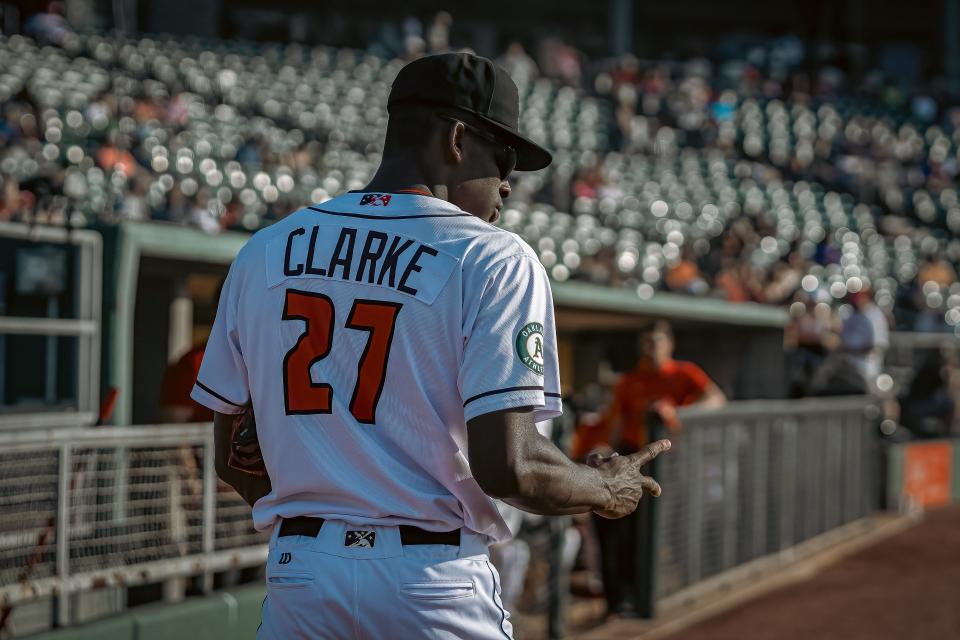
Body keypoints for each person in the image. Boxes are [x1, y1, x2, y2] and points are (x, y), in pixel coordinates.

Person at [190, 52, 670, 639]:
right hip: (429, 581)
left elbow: (231, 458)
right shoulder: (491, 256)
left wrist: (328, 512)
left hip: (303, 578)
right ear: (458, 139)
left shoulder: (265, 250)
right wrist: (604, 487)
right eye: (503, 159)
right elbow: (509, 467)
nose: (508, 185)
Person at [589, 320, 724, 618]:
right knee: (617, 529)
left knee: (659, 534)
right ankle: (618, 600)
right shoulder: (630, 380)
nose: (651, 348)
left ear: (669, 344)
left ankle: (652, 595)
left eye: (656, 341)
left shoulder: (684, 373)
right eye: (646, 343)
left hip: (672, 466)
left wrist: (676, 412)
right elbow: (616, 427)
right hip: (633, 461)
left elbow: (716, 398)